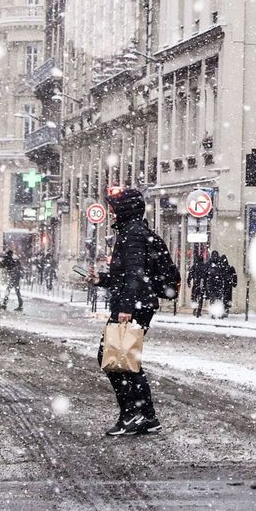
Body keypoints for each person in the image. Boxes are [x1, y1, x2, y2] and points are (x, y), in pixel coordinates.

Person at [94, 187, 165, 437]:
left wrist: (125, 308)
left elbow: (135, 273)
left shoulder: (132, 234)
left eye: (114, 208)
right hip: (139, 303)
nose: (111, 213)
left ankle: (132, 414)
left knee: (116, 359)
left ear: (125, 209)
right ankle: (146, 416)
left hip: (134, 305)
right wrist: (102, 279)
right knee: (125, 360)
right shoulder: (132, 232)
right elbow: (127, 274)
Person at [207, 250, 236, 317]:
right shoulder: (227, 268)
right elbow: (234, 276)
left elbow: (210, 275)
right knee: (223, 299)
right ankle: (223, 311)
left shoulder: (218, 267)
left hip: (219, 286)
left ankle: (217, 312)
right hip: (223, 286)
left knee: (216, 300)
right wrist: (233, 283)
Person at [0, 246, 24, 312]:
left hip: (14, 276)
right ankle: (20, 304)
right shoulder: (14, 259)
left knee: (8, 290)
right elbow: (19, 266)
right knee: (17, 290)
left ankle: (4, 305)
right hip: (16, 275)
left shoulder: (8, 259)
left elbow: (1, 265)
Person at [188, 251, 209, 316]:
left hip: (196, 283)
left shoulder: (195, 266)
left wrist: (188, 281)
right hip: (202, 284)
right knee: (201, 298)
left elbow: (190, 274)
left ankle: (195, 309)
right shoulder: (205, 266)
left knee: (194, 296)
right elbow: (207, 275)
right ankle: (199, 311)